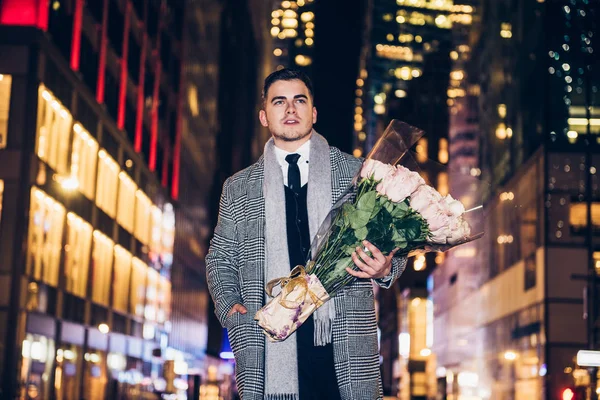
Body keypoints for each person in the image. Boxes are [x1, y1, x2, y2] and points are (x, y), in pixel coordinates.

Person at [206, 68, 407, 400]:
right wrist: (230, 308)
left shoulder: (356, 173)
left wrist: (386, 267)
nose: (290, 109)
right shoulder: (239, 187)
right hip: (269, 342)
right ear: (264, 116)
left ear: (313, 112)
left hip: (343, 340)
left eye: (299, 100)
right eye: (279, 101)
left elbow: (394, 243)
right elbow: (221, 257)